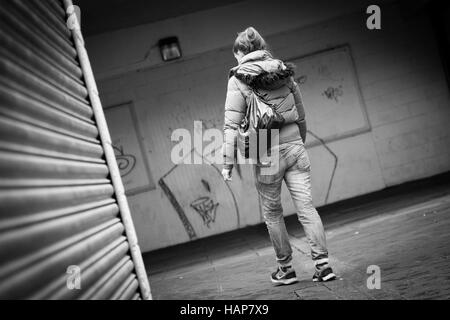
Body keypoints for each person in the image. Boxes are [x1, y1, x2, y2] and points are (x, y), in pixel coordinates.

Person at [221, 27, 336, 285]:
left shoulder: (237, 78)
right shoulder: (283, 70)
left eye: (236, 55)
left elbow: (231, 126)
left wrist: (227, 163)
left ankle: (286, 270)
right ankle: (323, 265)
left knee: (273, 214)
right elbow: (301, 113)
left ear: (242, 52)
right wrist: (298, 142)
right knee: (306, 207)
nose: (236, 60)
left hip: (265, 149)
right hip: (295, 144)